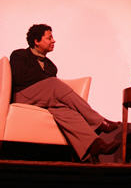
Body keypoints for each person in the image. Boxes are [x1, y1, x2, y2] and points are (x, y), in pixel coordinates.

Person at [10, 24, 121, 163]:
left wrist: (46, 83)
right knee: (54, 83)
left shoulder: (51, 66)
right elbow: (19, 78)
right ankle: (99, 122)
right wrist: (46, 82)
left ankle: (94, 145)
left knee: (65, 110)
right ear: (36, 41)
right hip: (22, 96)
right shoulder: (19, 55)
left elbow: (48, 89)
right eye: (49, 38)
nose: (53, 41)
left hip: (43, 102)